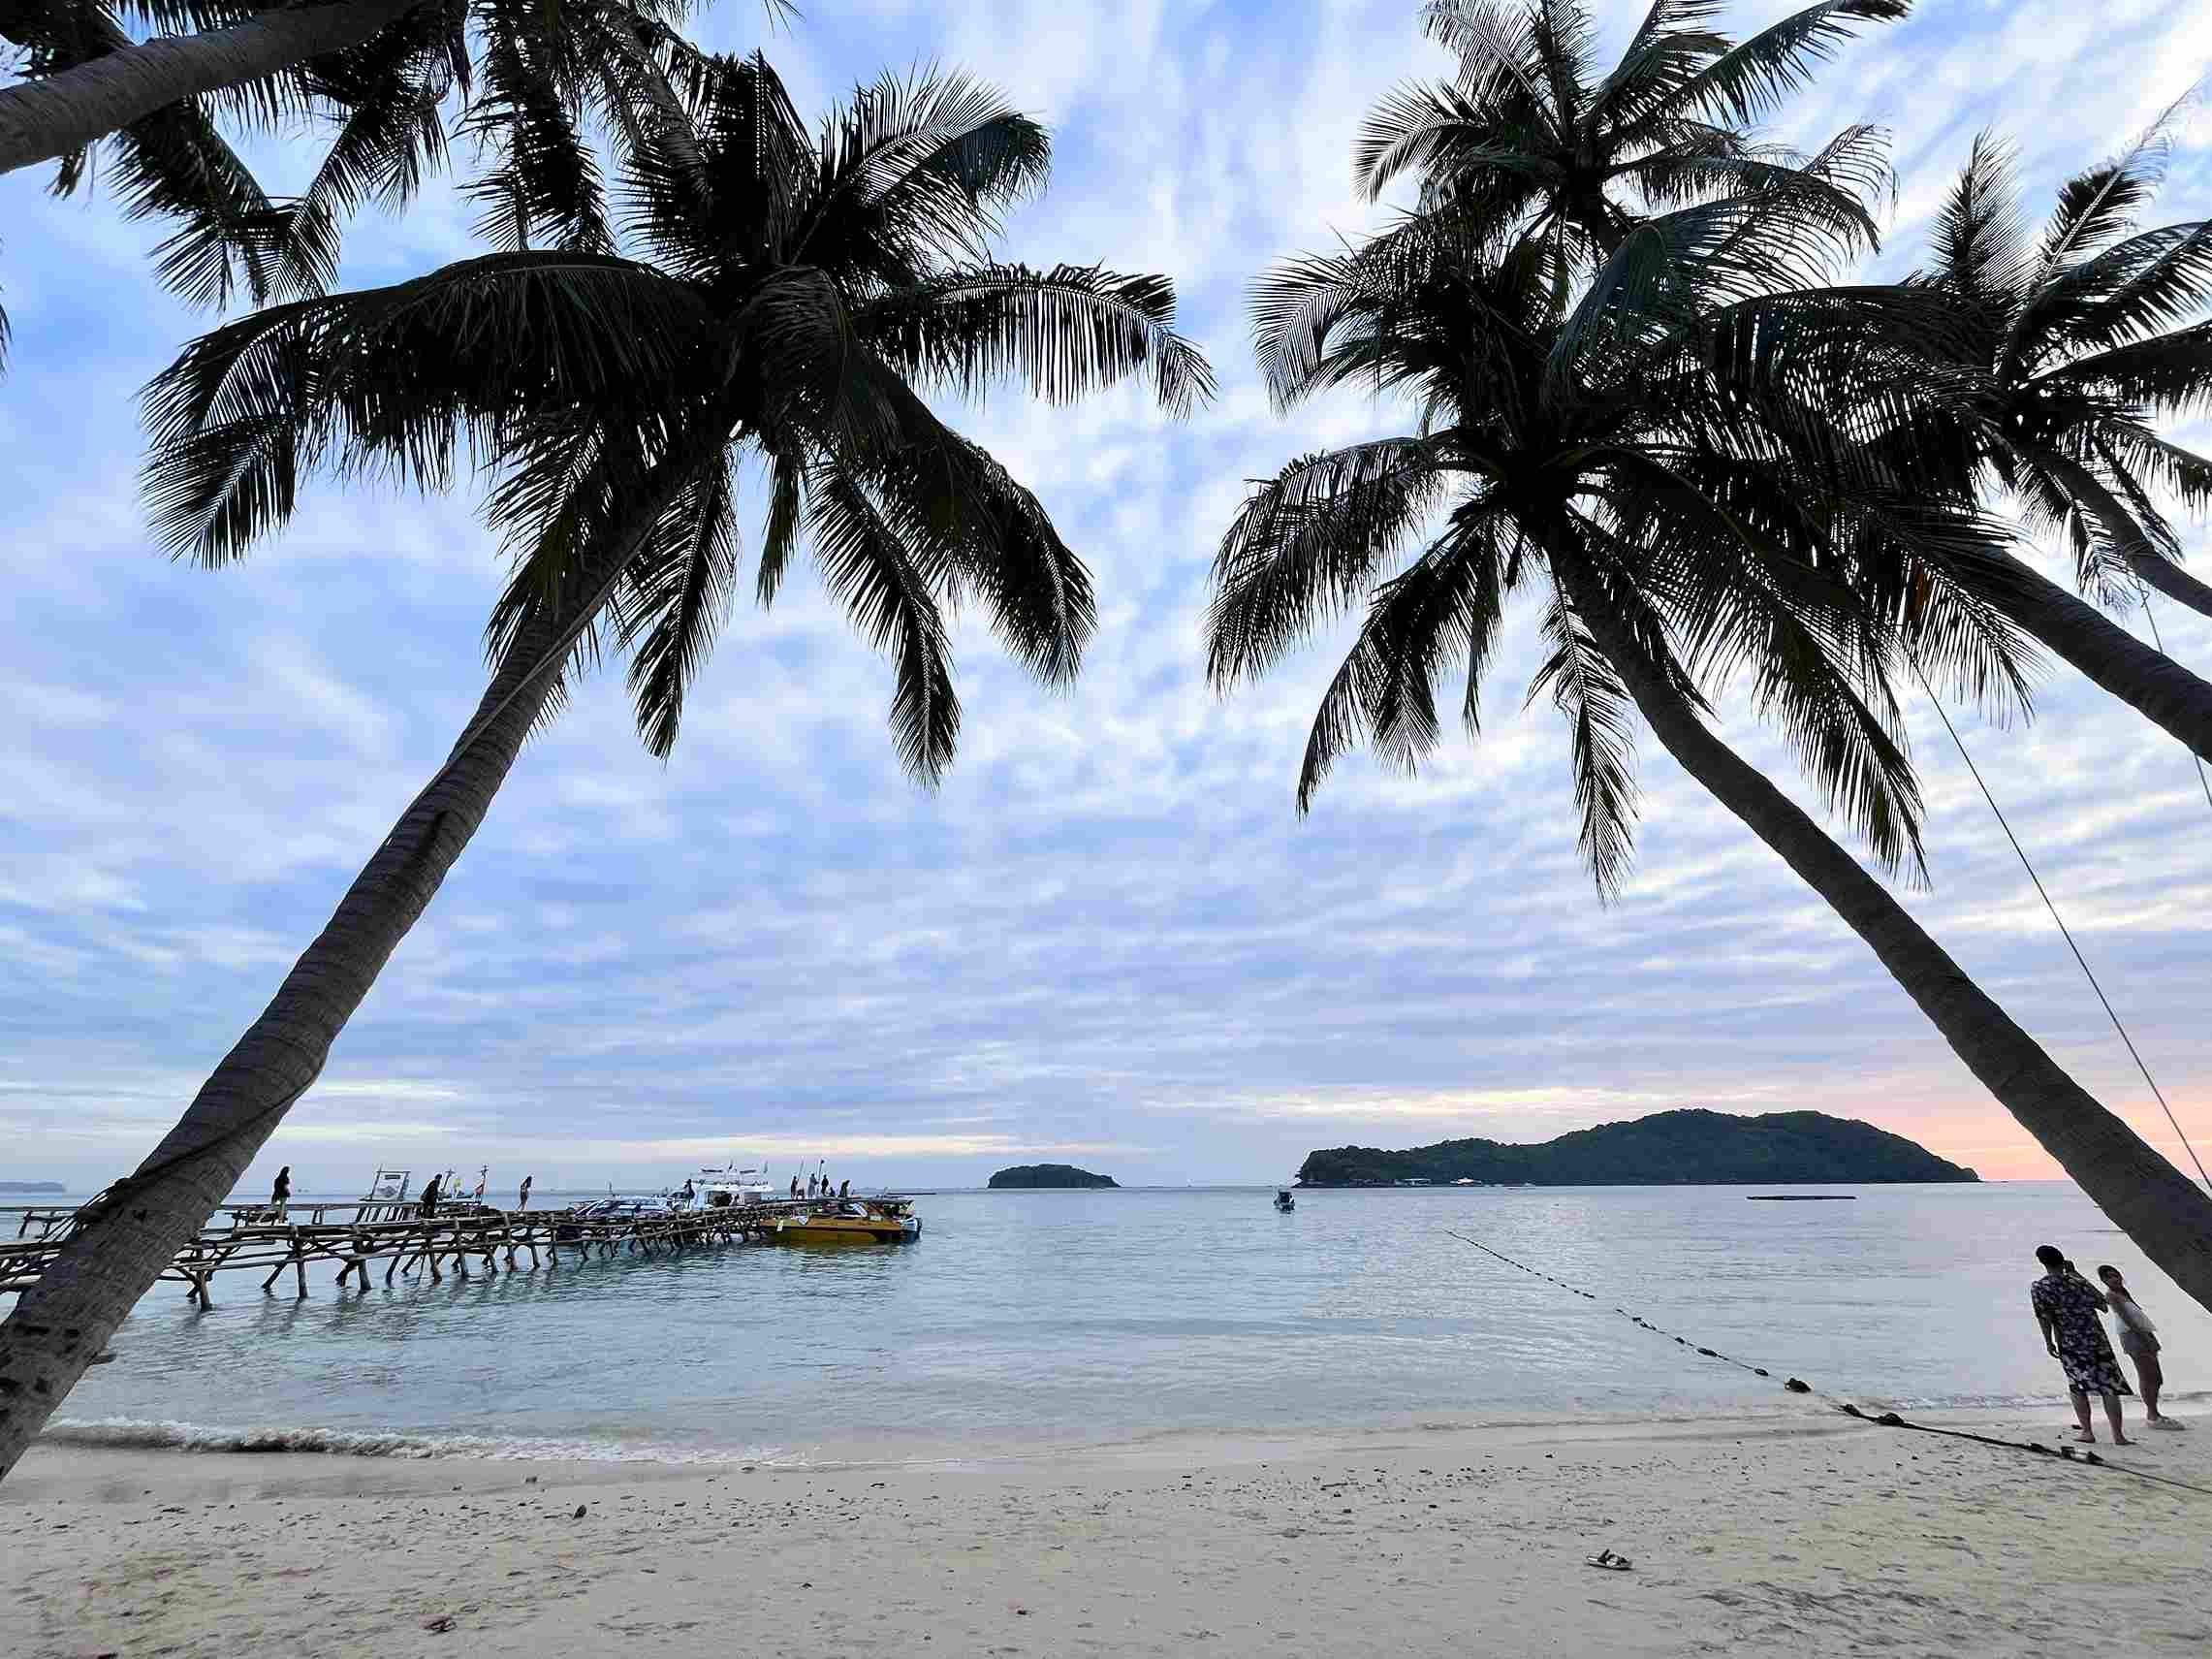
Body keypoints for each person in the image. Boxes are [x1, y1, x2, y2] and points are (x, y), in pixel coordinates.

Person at [2032, 1245, 2132, 1445]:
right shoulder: (2078, 1282)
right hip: (2095, 1337)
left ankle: (2087, 1431)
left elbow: (2044, 1317)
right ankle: (2118, 1435)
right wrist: (2076, 1274)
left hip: (2069, 1341)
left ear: (2042, 1263)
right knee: (2109, 1386)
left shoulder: (2040, 1287)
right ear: (2063, 1261)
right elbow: (2103, 1304)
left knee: (2077, 1386)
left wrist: (2048, 1341)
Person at [2099, 1265, 2184, 1430]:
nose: (2114, 1279)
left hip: (2144, 1334)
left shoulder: (2123, 1293)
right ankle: (2152, 1415)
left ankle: (2154, 1413)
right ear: (2104, 1281)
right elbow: (2128, 1320)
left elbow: (2139, 1319)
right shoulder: (2111, 1295)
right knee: (2147, 1376)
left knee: (2157, 1378)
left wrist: (2150, 1337)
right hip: (2133, 1337)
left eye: (2116, 1275)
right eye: (2109, 1277)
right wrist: (2145, 1338)